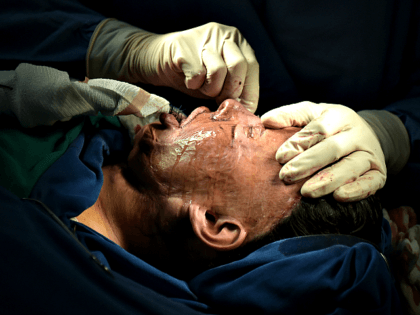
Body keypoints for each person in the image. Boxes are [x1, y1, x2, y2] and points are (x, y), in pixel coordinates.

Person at [0, 66, 402, 313]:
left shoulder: (81, 288)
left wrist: (396, 133)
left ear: (214, 222)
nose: (230, 104)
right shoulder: (67, 119)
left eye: (246, 132)